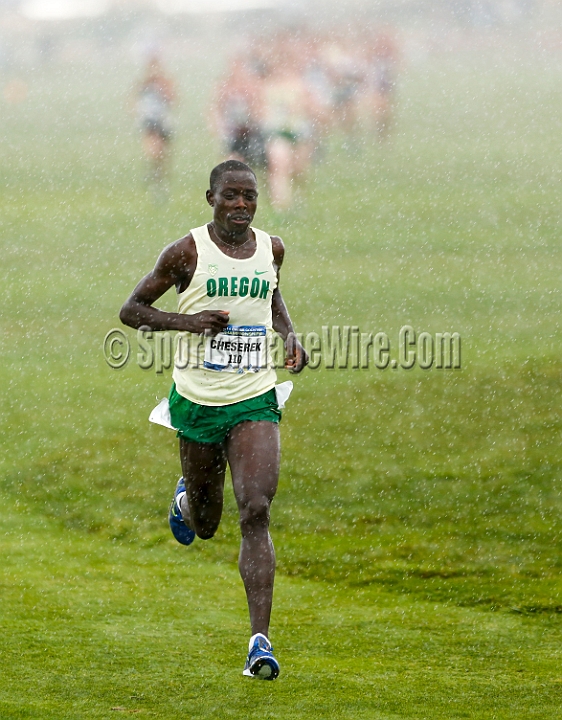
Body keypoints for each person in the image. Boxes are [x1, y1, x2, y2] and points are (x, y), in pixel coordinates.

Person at [119, 160, 308, 680]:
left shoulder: (272, 248)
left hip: (254, 395)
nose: (241, 206)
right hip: (199, 401)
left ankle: (259, 644)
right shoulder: (185, 253)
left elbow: (271, 295)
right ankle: (187, 497)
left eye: (249, 196)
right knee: (206, 525)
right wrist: (187, 321)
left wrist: (288, 334)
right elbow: (132, 310)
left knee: (256, 509)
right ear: (211, 198)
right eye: (231, 197)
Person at [136, 55, 176, 194]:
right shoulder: (143, 84)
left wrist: (161, 87)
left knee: (163, 154)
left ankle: (160, 179)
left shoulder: (165, 83)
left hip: (163, 121)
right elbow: (133, 102)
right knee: (153, 150)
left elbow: (173, 99)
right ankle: (155, 178)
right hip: (149, 121)